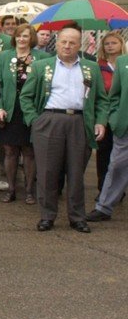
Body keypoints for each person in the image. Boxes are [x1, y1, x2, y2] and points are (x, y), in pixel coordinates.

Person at [20, 22, 108, 234]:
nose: (67, 46)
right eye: (63, 42)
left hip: (79, 122)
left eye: (72, 43)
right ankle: (47, 216)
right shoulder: (42, 66)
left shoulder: (91, 68)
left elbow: (102, 101)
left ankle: (77, 217)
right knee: (48, 172)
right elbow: (26, 97)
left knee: (76, 173)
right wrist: (35, 120)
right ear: (56, 43)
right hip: (50, 120)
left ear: (79, 45)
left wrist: (100, 121)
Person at [0, 22, 48, 204]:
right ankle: (11, 189)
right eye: (18, 36)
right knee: (9, 150)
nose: (21, 39)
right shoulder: (4, 57)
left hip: (31, 110)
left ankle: (30, 190)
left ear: (31, 38)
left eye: (25, 36)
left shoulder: (42, 57)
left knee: (29, 151)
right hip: (10, 109)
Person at [88, 38, 128, 222]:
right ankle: (104, 207)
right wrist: (114, 118)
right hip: (124, 125)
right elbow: (115, 94)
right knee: (116, 166)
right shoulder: (123, 62)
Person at [94, 32, 124, 192]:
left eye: (114, 43)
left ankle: (118, 190)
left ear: (121, 45)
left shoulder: (124, 64)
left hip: (121, 114)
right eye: (107, 43)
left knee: (120, 156)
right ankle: (103, 189)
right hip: (104, 116)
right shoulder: (98, 66)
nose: (110, 46)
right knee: (103, 153)